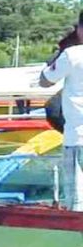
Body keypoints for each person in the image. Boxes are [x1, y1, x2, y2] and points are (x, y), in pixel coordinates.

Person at [40, 11, 83, 211]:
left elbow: (45, 81)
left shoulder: (72, 54)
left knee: (79, 205)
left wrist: (58, 58)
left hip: (78, 139)